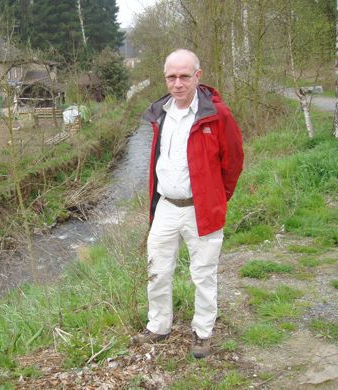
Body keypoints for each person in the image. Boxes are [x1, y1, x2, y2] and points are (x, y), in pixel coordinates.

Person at [133, 49, 244, 359]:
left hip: (201, 208)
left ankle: (203, 331)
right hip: (166, 206)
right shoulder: (161, 112)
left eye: (184, 76)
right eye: (172, 76)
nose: (177, 83)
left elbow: (233, 162)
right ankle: (158, 326)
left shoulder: (217, 115)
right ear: (165, 78)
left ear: (198, 75)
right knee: (156, 268)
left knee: (204, 273)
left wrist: (217, 198)